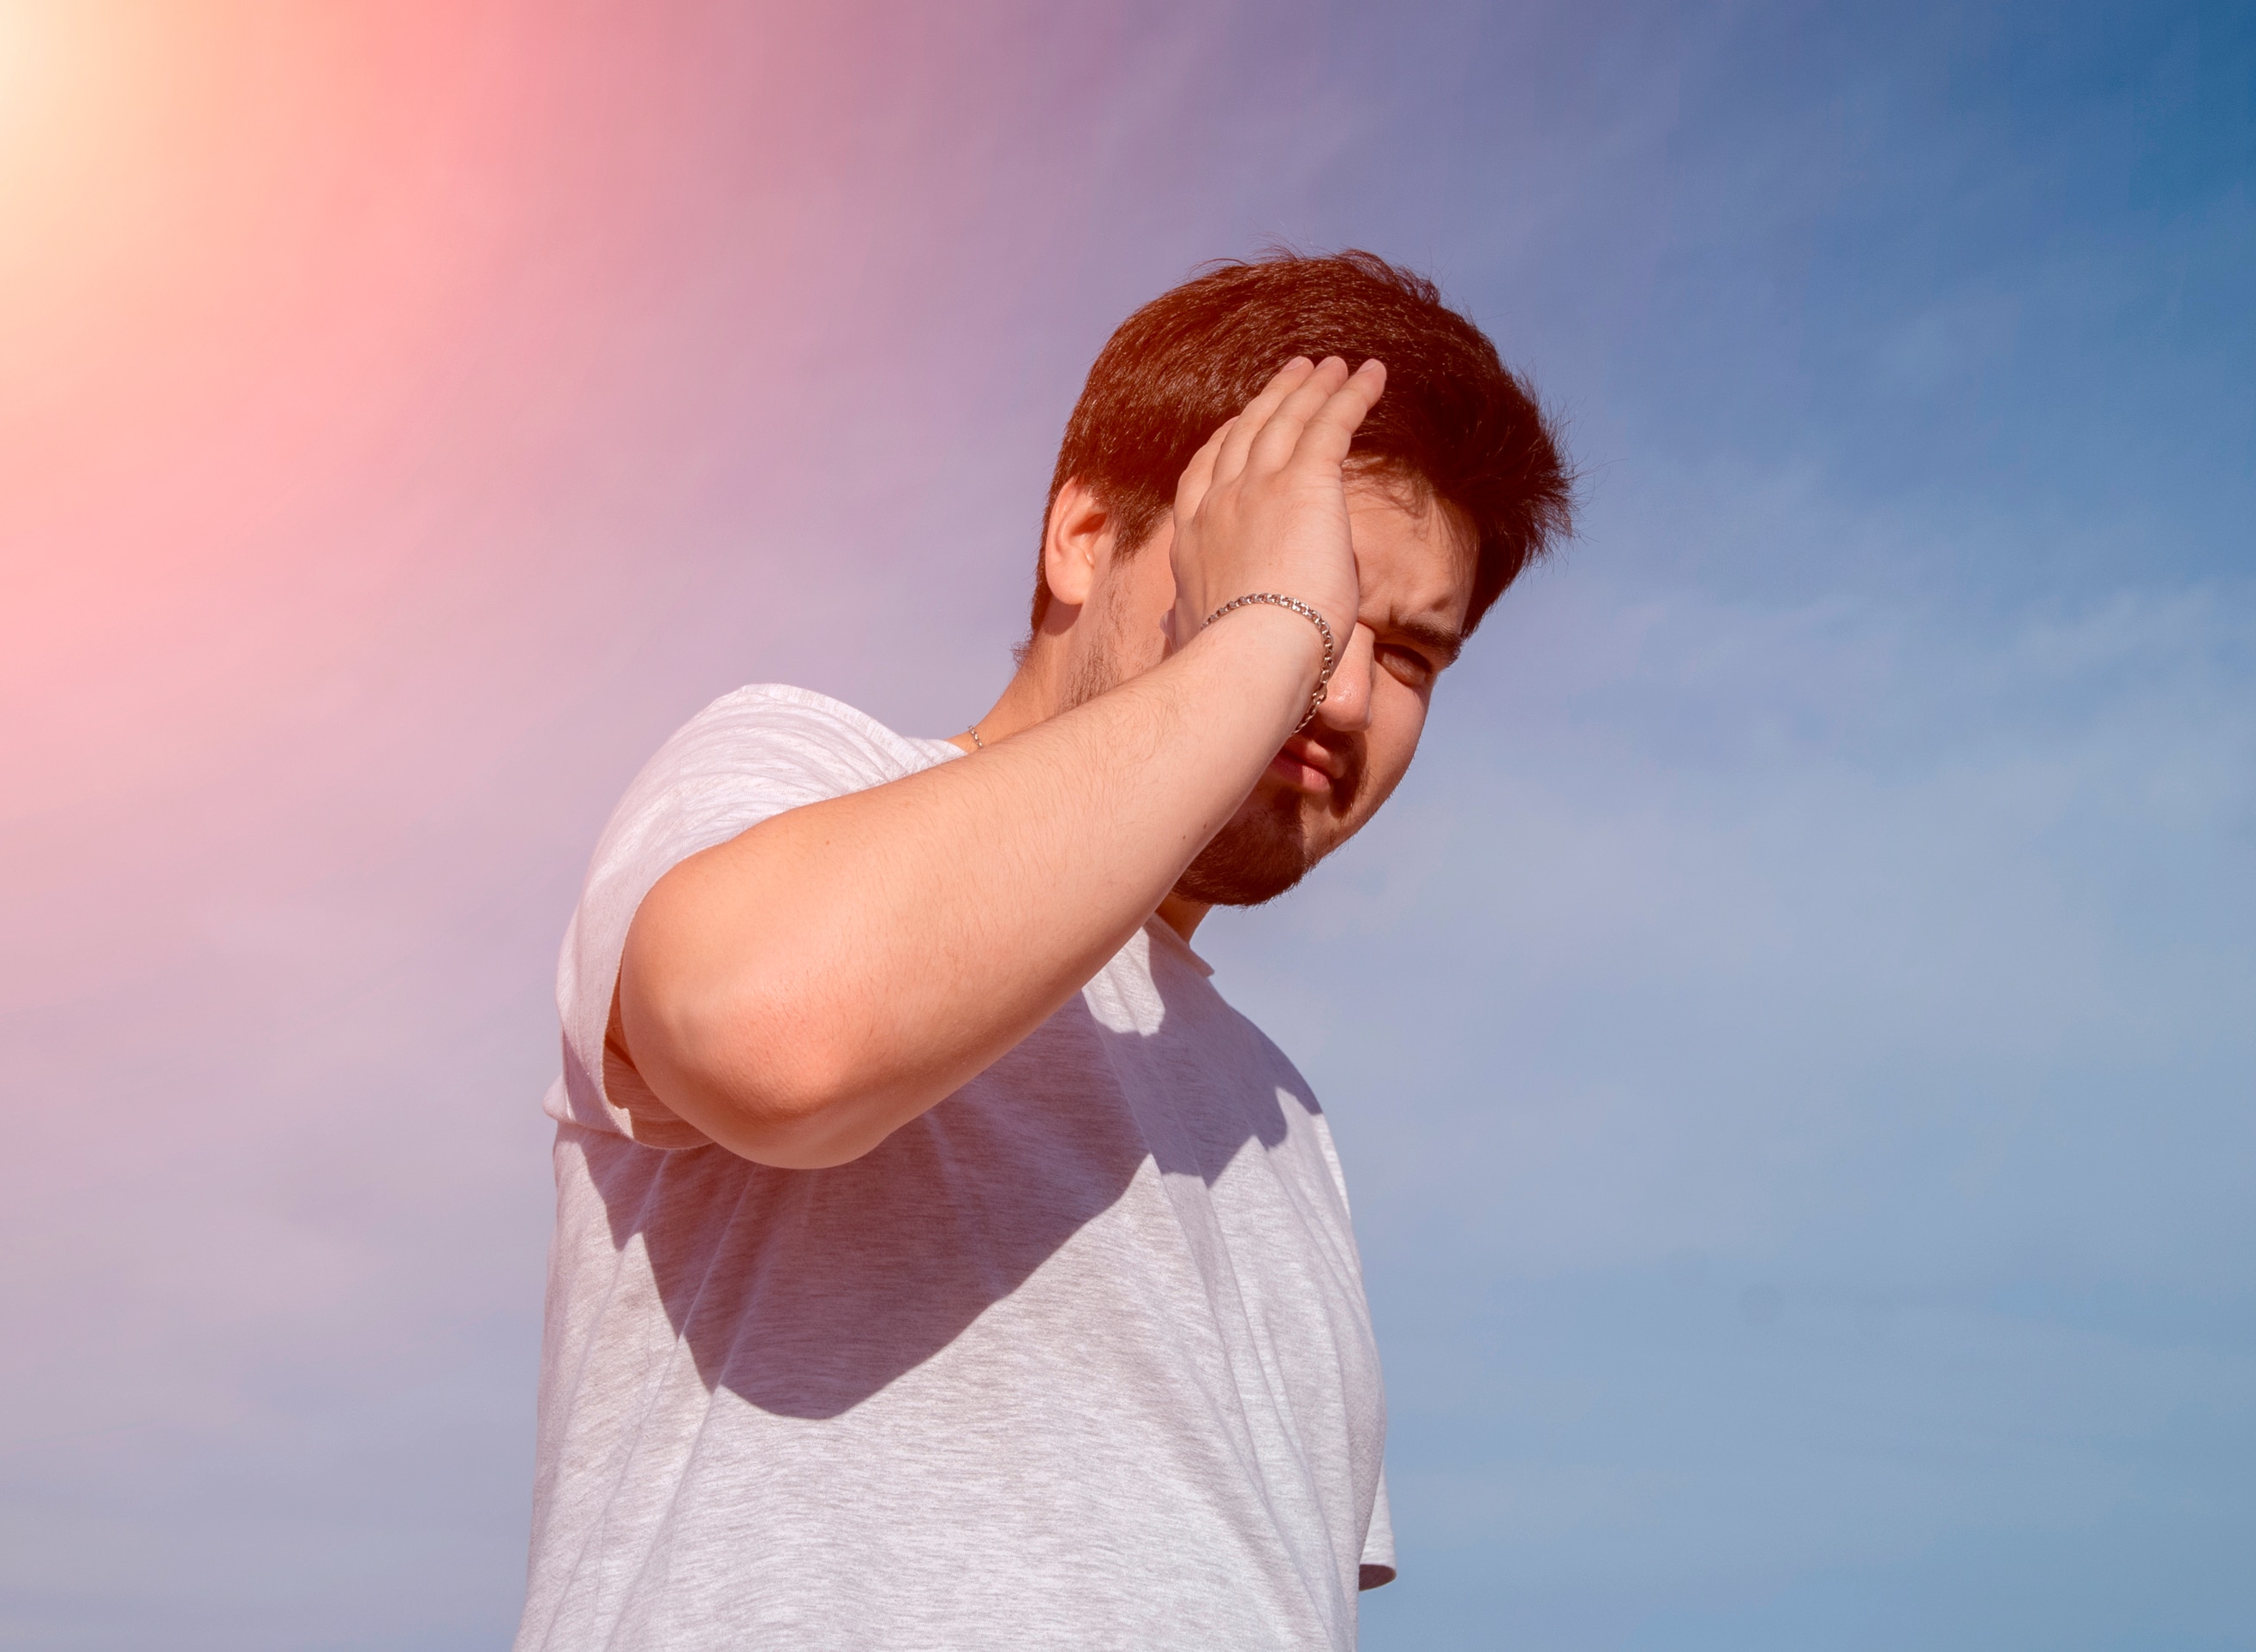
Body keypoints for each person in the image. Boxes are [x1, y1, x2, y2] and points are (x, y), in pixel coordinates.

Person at [512, 250, 1573, 1651]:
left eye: (1414, 655)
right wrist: (1266, 641)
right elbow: (768, 1032)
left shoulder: (1279, 1119)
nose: (1345, 688)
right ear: (1084, 538)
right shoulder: (796, 773)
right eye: (1299, 584)